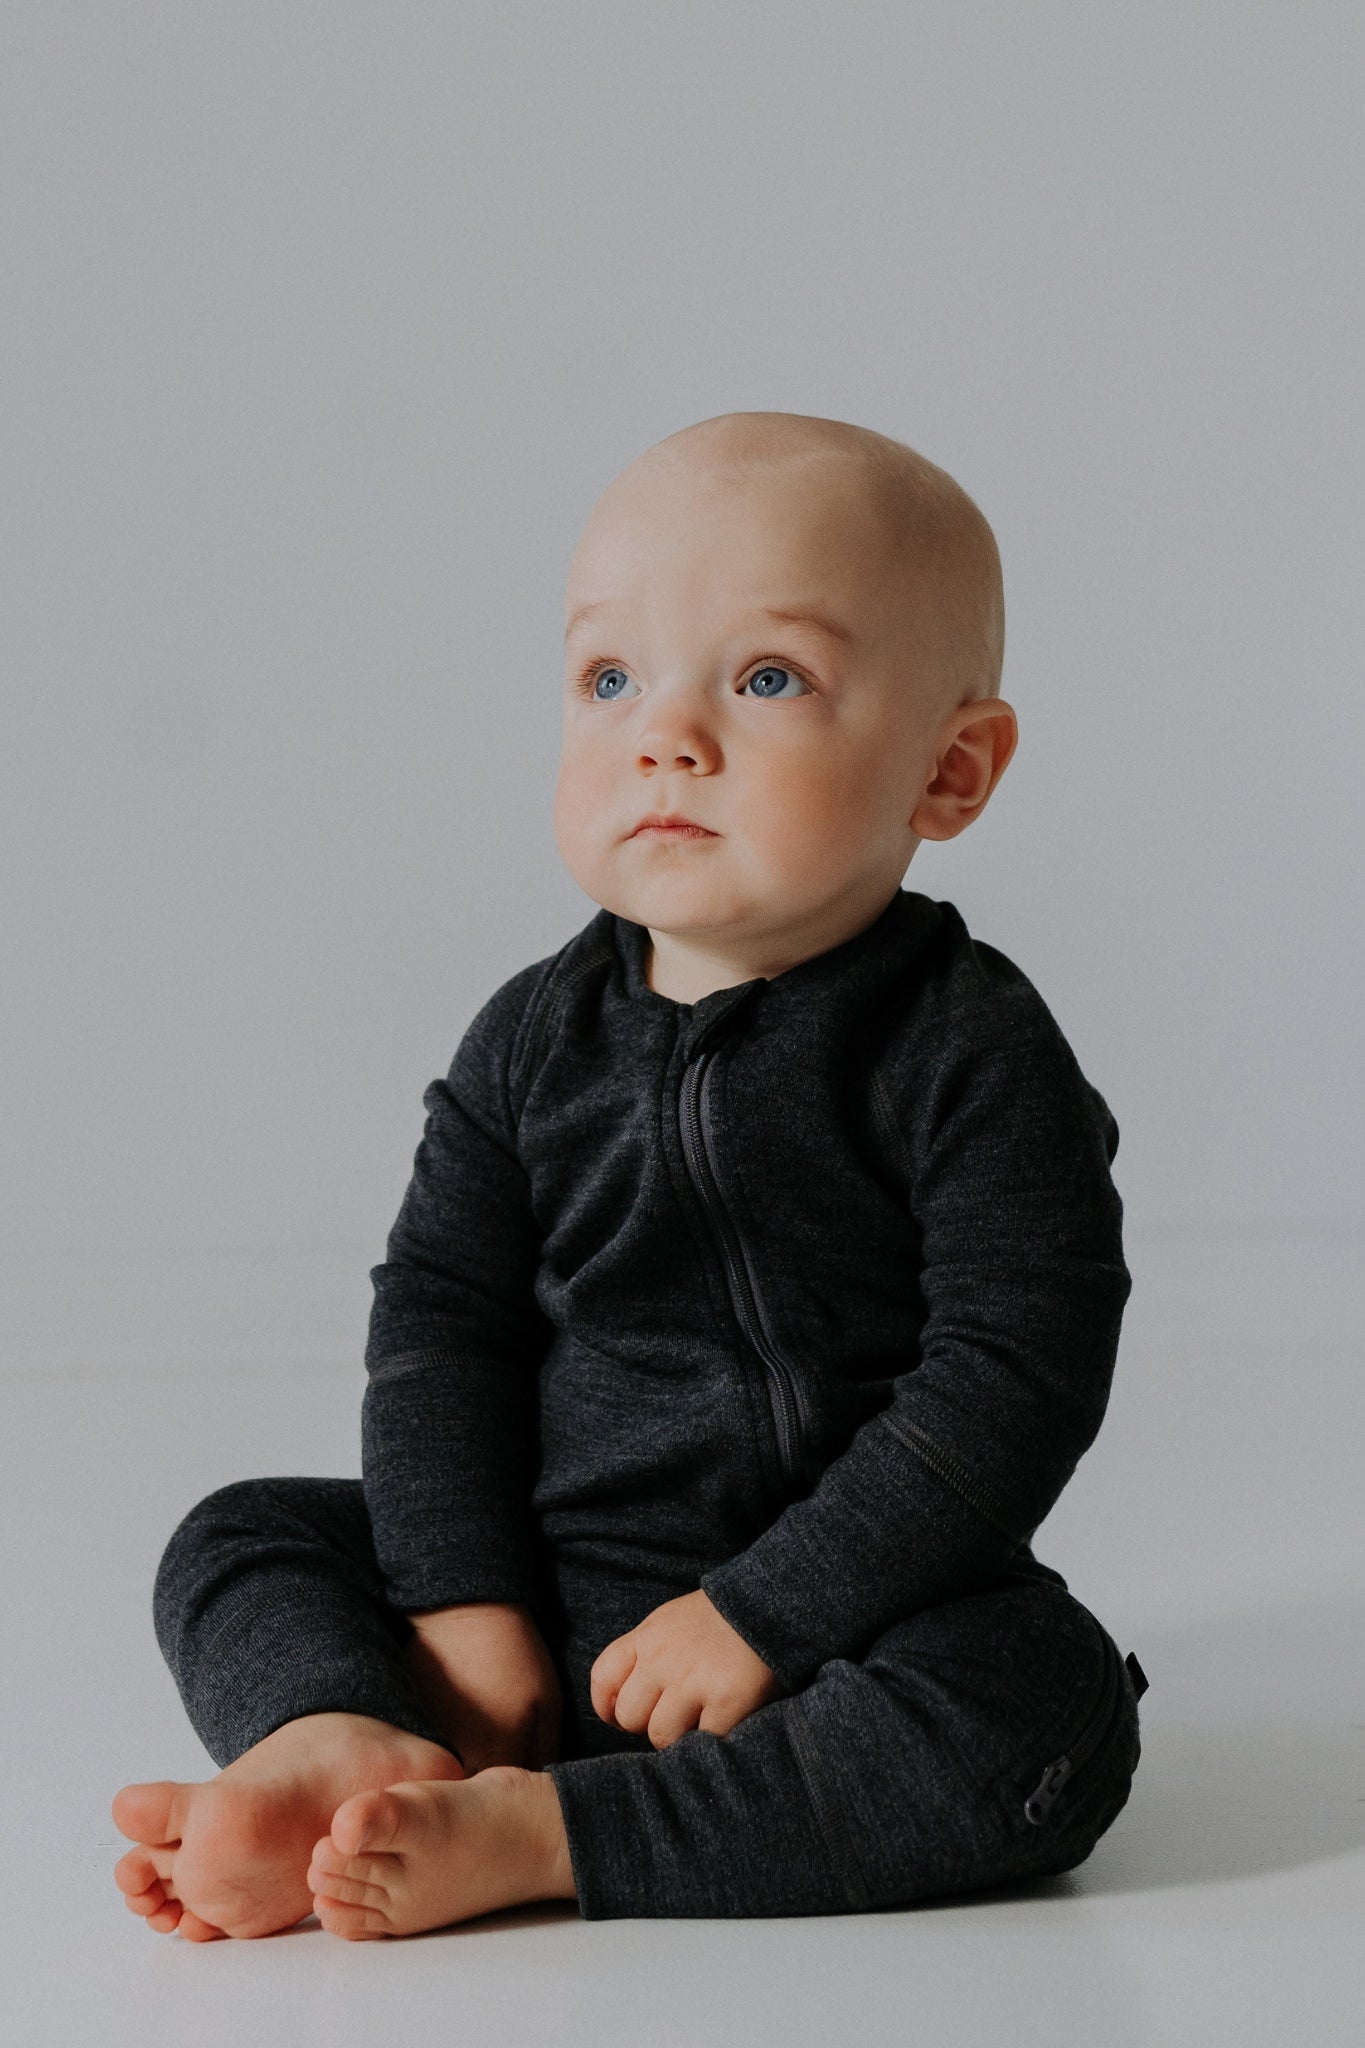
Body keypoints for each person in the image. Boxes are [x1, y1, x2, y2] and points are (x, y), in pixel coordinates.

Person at [112, 410, 1147, 1941]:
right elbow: (443, 1325)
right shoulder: (531, 1038)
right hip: (540, 1603)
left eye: (767, 678)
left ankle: (551, 1833)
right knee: (241, 1534)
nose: (665, 736)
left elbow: (1016, 1368)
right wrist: (460, 1602)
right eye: (610, 679)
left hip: (838, 1625)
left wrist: (764, 1611)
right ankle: (348, 1734)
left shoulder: (968, 1048)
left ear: (947, 769)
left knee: (1049, 1712)